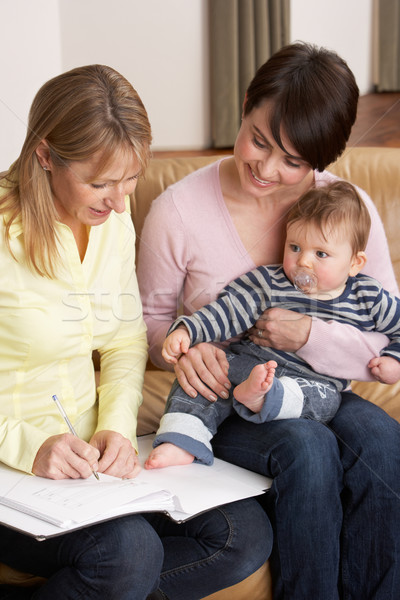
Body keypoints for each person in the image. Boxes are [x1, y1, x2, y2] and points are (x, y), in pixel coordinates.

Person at [138, 42, 400, 599]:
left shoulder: (348, 213)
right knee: (307, 449)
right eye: (259, 140)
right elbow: (148, 319)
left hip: (319, 389)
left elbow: (383, 334)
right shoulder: (178, 211)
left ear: (321, 161)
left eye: (294, 161)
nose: (267, 168)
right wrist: (186, 349)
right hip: (229, 397)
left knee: (381, 441)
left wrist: (310, 335)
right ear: (245, 106)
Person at [0, 64, 272, 600]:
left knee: (243, 536)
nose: (121, 202)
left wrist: (118, 429)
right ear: (45, 155)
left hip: (87, 462)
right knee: (128, 553)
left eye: (130, 180)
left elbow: (125, 340)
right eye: (100, 183)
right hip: (13, 465)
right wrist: (27, 445)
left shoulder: (111, 219)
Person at [145, 180, 400, 468]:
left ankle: (265, 398)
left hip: (314, 383)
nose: (303, 261)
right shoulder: (271, 281)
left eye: (320, 254)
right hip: (251, 363)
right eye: (294, 247)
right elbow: (228, 311)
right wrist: (188, 330)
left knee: (327, 401)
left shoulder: (368, 297)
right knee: (205, 377)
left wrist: (393, 360)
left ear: (355, 263)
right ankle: (181, 438)